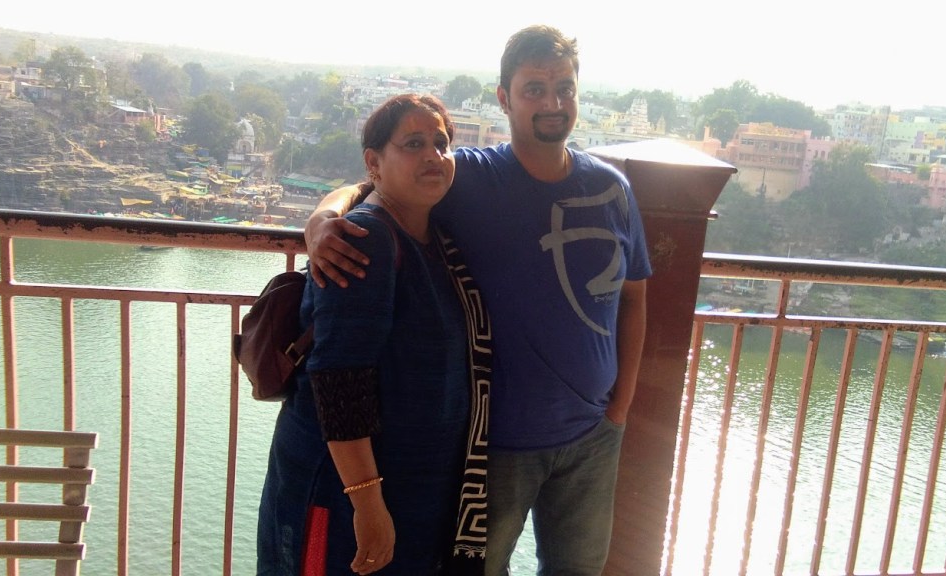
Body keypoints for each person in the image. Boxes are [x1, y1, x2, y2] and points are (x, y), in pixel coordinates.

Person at [304, 25, 651, 576]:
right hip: (498, 444)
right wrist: (323, 220)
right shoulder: (470, 176)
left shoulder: (613, 189)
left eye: (564, 87)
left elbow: (634, 298)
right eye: (534, 88)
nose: (552, 102)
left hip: (593, 437)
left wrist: (619, 406)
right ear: (504, 99)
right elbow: (375, 185)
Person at [257, 93, 490, 576]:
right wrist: (367, 504)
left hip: (409, 488)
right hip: (344, 493)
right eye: (413, 143)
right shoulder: (367, 240)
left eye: (441, 143)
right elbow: (339, 380)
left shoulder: (432, 236)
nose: (433, 155)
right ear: (374, 162)